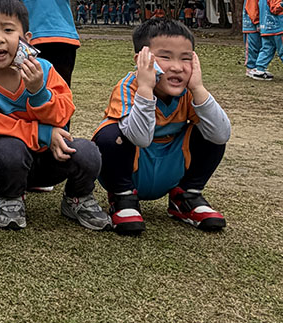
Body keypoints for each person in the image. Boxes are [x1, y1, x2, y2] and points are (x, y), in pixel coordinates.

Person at [0, 0, 111, 233]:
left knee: (88, 153)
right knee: (8, 149)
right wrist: (44, 134)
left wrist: (38, 91)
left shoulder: (45, 70)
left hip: (48, 159)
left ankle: (77, 198)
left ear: (27, 38)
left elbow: (63, 114)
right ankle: (10, 197)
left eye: (8, 30)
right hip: (3, 161)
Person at [93, 17, 230, 236]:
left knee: (211, 127)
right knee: (109, 135)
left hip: (171, 164)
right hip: (135, 165)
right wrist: (146, 89)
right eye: (165, 57)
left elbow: (222, 134)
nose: (177, 67)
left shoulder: (189, 92)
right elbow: (140, 138)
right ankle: (122, 197)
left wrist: (198, 88)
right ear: (141, 59)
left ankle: (186, 196)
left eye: (185, 58)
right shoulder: (129, 87)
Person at [254, 0, 283, 79]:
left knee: (266, 50)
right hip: (277, 29)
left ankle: (259, 70)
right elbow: (275, 9)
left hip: (266, 29)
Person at [242, 0, 266, 79]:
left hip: (256, 27)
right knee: (252, 47)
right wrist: (257, 22)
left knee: (258, 46)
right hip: (251, 27)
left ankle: (257, 67)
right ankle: (250, 68)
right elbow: (252, 10)